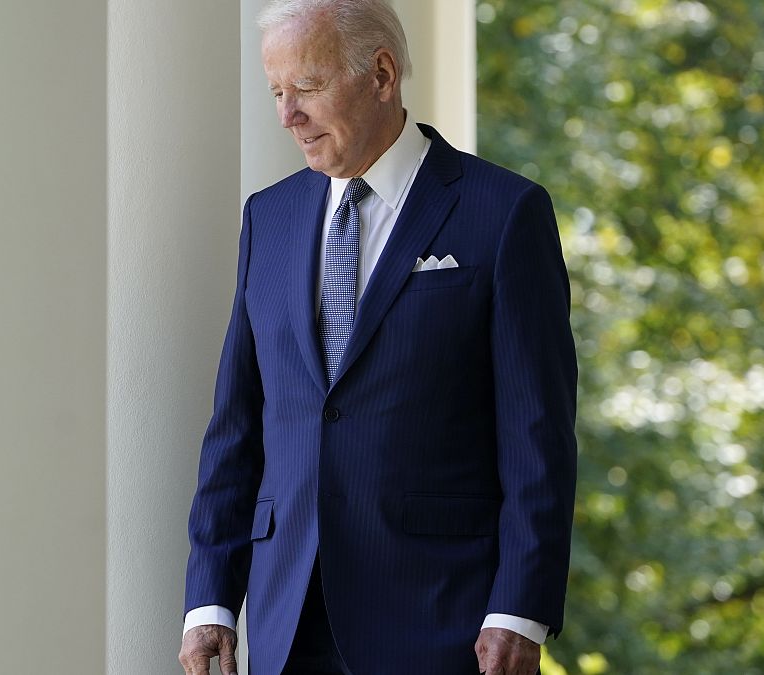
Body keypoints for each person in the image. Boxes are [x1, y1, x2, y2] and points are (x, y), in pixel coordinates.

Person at [178, 1, 577, 673]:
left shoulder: (503, 214)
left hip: (441, 617)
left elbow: (537, 430)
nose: (287, 115)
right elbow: (238, 423)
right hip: (285, 620)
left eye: (305, 87)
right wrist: (210, 600)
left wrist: (519, 607)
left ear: (382, 75)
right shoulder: (268, 218)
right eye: (277, 92)